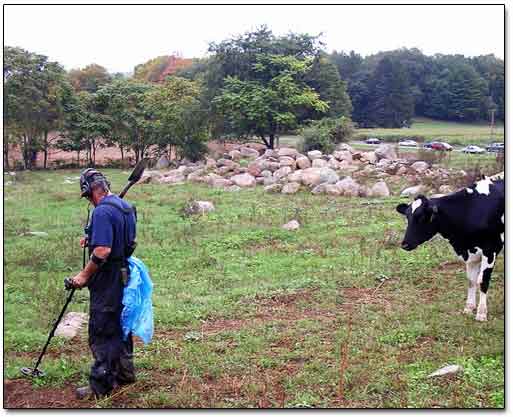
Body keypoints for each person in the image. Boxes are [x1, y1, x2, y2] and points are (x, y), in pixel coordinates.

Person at [70, 168, 138, 400]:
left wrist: (83, 276)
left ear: (90, 191)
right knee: (120, 323)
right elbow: (124, 239)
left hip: (107, 277)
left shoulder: (102, 212)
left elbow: (103, 250)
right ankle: (126, 372)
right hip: (123, 273)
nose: (89, 200)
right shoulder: (125, 207)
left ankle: (101, 385)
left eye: (87, 195)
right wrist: (94, 235)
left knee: (102, 329)